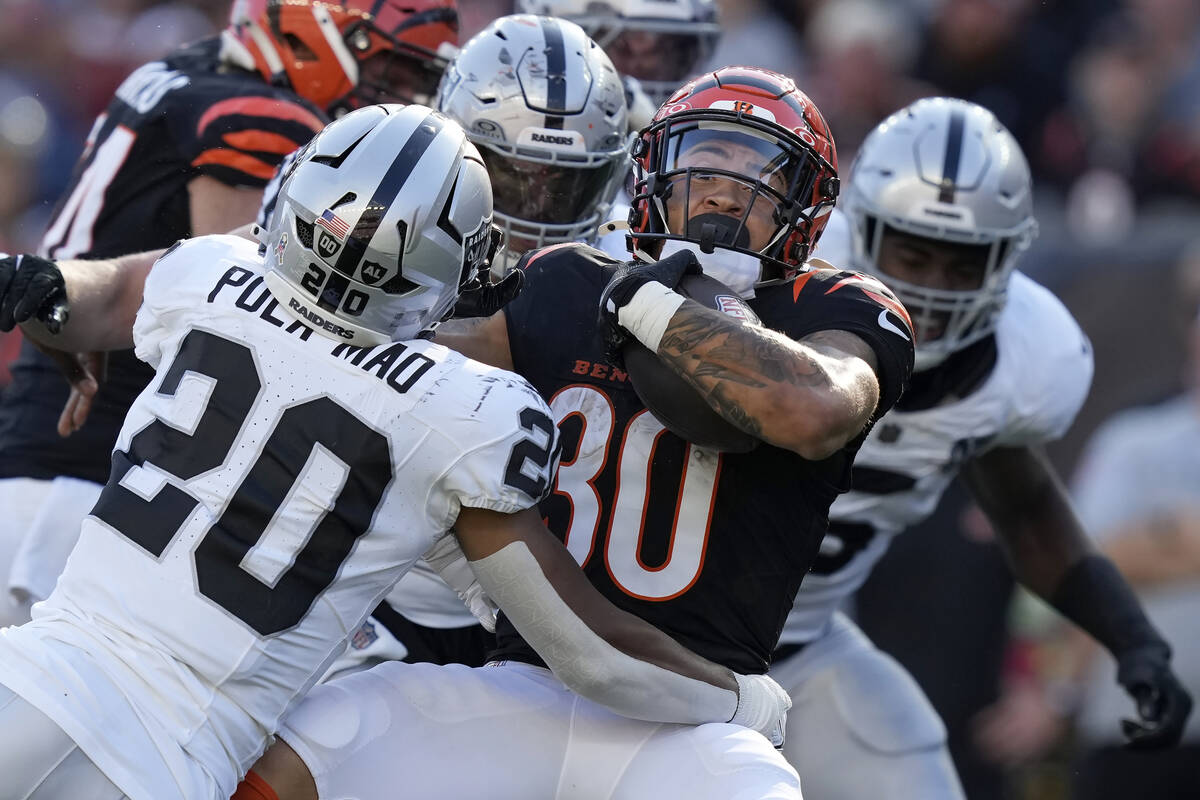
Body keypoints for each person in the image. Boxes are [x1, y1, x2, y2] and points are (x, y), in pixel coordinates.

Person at [0, 104, 791, 800]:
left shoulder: (206, 275)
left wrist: (46, 310)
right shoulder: (467, 409)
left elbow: (83, 303)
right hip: (158, 761)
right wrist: (735, 697)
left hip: (25, 679)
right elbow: (587, 654)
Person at [231, 66, 915, 800]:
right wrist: (265, 272)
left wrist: (652, 311)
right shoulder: (565, 280)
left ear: (807, 207)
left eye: (760, 171)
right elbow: (396, 362)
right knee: (307, 748)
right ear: (652, 171)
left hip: (693, 720)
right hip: (525, 682)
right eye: (705, 160)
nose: (724, 189)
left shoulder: (840, 310)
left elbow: (812, 411)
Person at [765, 97, 1193, 799]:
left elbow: (1023, 507)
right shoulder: (774, 280)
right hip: (661, 633)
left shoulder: (1028, 360)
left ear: (1006, 260)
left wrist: (1131, 637)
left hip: (807, 645)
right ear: (860, 228)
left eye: (961, 262)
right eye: (912, 251)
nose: (929, 290)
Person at [0, 0, 460, 627]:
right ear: (310, 37)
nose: (405, 91)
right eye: (391, 64)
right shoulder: (267, 116)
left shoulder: (189, 66)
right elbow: (252, 328)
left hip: (46, 458)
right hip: (99, 496)